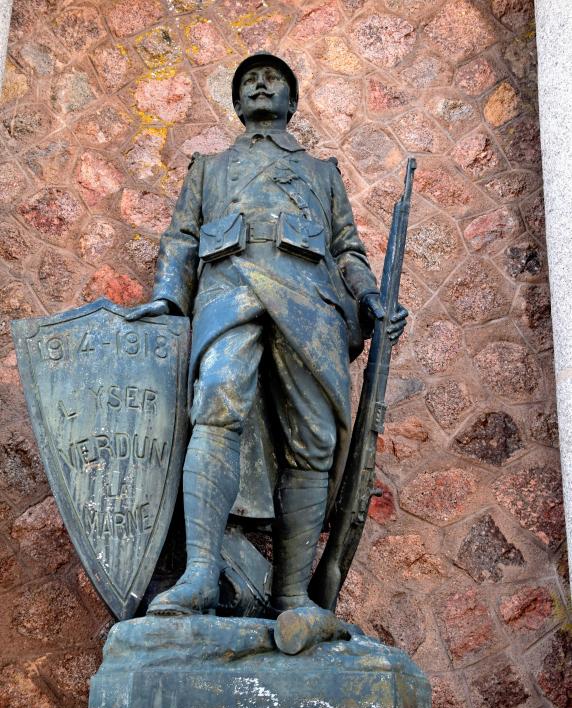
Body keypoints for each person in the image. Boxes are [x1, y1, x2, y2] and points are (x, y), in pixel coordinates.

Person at [126, 52, 407, 616]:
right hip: (228, 292)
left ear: (291, 102)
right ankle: (201, 575)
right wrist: (166, 297)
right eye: (249, 80)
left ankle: (292, 596)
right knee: (216, 403)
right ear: (235, 103)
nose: (260, 84)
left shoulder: (323, 173)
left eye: (273, 78)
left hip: (309, 302)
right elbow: (181, 239)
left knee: (315, 438)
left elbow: (347, 249)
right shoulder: (207, 168)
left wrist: (370, 298)